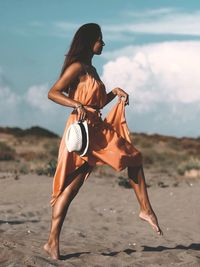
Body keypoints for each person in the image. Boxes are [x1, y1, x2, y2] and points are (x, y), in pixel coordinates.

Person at [44, 23, 163, 260]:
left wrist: (114, 93)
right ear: (90, 42)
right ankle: (52, 242)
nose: (103, 43)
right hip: (82, 132)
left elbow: (95, 105)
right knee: (71, 187)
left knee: (132, 158)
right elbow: (53, 93)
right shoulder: (77, 67)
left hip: (97, 130)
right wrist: (76, 104)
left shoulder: (92, 70)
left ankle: (145, 210)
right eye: (100, 39)